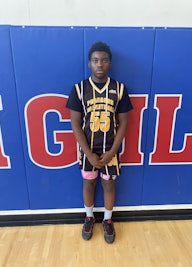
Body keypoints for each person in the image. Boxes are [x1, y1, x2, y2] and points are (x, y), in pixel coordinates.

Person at [66, 41, 133, 243]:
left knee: (109, 185)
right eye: (95, 60)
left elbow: (123, 122)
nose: (100, 64)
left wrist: (113, 151)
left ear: (110, 64)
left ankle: (108, 220)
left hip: (109, 150)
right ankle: (89, 217)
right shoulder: (79, 89)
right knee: (88, 183)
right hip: (88, 151)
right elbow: (75, 123)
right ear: (89, 64)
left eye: (104, 60)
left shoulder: (120, 89)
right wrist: (88, 153)